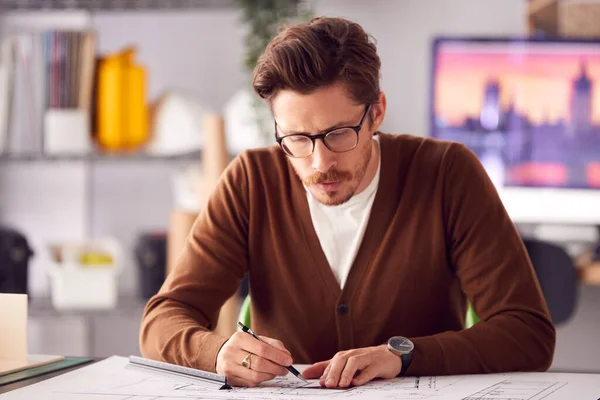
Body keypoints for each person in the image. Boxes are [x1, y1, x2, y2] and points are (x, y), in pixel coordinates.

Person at [139, 16, 555, 388]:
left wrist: (403, 356)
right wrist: (216, 353)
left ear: (376, 113)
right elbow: (162, 320)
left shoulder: (447, 173)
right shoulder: (251, 180)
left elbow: (528, 332)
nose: (320, 163)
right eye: (297, 139)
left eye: (339, 134)